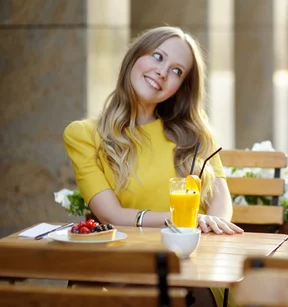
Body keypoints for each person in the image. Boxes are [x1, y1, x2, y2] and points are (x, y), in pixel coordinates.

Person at [64, 26, 242, 236]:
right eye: (158, 57)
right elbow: (110, 215)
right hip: (132, 255)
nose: (162, 72)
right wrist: (181, 220)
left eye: (177, 71)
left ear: (181, 87)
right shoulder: (83, 135)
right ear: (134, 57)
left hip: (196, 249)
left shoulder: (194, 131)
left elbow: (220, 205)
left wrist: (210, 229)